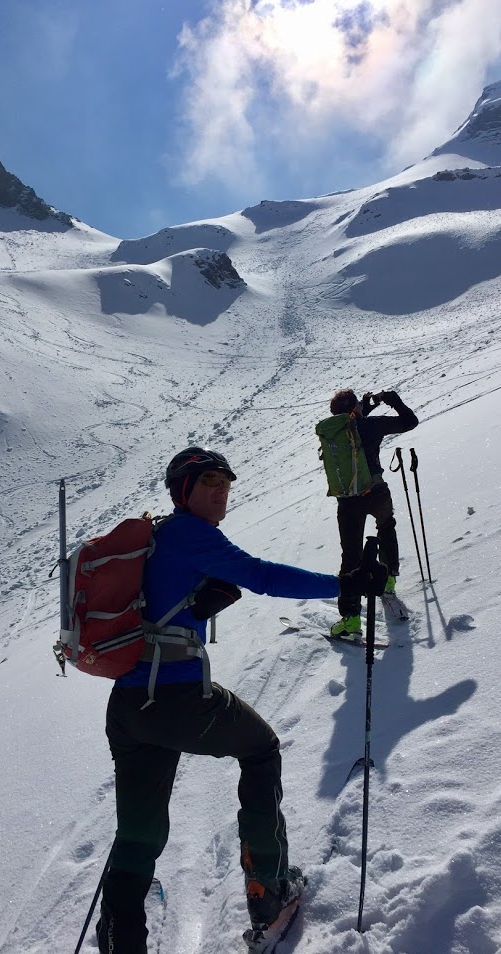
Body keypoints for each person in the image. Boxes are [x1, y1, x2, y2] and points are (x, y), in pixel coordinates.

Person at [97, 447, 387, 954]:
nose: (219, 490)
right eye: (207, 481)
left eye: (225, 482)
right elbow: (264, 577)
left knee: (139, 836)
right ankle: (268, 890)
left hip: (129, 709)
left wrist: (193, 605)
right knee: (260, 749)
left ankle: (121, 940)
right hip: (180, 700)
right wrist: (345, 585)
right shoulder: (191, 533)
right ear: (182, 490)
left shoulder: (158, 536)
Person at [324, 388, 418, 638]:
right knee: (386, 528)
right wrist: (393, 400)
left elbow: (354, 424)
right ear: (355, 409)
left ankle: (351, 620)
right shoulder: (371, 426)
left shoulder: (332, 432)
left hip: (347, 502)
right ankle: (388, 580)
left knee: (351, 556)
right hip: (376, 493)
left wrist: (363, 408)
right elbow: (410, 422)